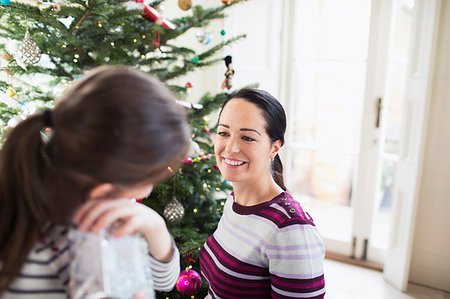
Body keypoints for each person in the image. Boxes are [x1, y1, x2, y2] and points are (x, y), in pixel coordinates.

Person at [0, 66, 190, 298]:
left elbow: (166, 279)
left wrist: (155, 227)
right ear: (104, 190)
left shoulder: (99, 209)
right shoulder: (70, 250)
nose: (150, 189)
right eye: (151, 180)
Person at [200, 89, 326, 298]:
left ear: (274, 148)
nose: (230, 148)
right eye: (224, 133)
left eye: (247, 138)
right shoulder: (236, 201)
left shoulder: (290, 229)